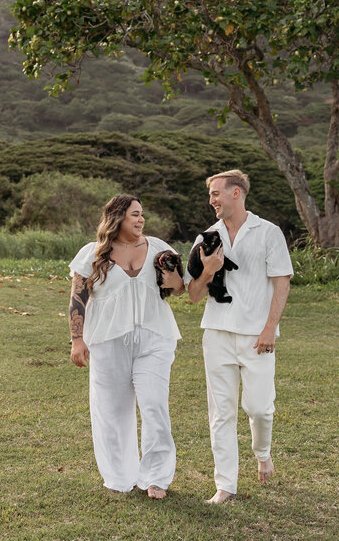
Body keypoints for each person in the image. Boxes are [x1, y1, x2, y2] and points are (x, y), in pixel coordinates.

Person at [68, 194, 186, 498]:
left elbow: (178, 289)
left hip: (154, 337)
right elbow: (77, 300)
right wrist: (77, 340)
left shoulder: (160, 249)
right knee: (113, 411)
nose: (141, 219)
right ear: (117, 217)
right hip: (108, 341)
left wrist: (174, 277)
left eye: (142, 214)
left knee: (155, 405)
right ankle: (121, 475)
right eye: (135, 214)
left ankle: (156, 477)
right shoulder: (92, 254)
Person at [186, 169, 293, 504]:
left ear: (237, 193)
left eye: (216, 193)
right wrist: (209, 270)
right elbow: (192, 294)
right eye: (210, 195)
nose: (212, 200)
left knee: (259, 408)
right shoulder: (207, 237)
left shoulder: (268, 232)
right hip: (216, 333)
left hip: (256, 336)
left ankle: (262, 453)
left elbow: (281, 282)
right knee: (221, 412)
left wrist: (269, 329)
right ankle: (225, 486)